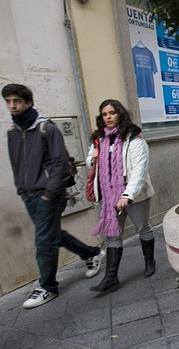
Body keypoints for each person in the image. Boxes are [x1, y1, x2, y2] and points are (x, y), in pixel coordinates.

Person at [3, 84, 103, 309]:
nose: (12, 105)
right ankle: (92, 253)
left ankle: (48, 286)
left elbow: (60, 164)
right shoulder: (12, 132)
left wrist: (49, 193)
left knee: (44, 240)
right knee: (52, 233)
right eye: (8, 101)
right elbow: (16, 163)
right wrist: (21, 188)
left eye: (16, 101)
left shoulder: (47, 129)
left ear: (28, 102)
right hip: (28, 194)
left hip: (49, 194)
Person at [88, 99, 156, 294]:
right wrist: (91, 160)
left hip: (134, 193)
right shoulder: (98, 139)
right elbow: (91, 161)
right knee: (112, 235)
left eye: (112, 113)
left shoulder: (134, 138)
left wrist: (127, 195)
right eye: (104, 114)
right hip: (109, 195)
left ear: (120, 114)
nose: (108, 117)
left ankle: (149, 261)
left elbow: (139, 171)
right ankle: (111, 279)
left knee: (143, 227)